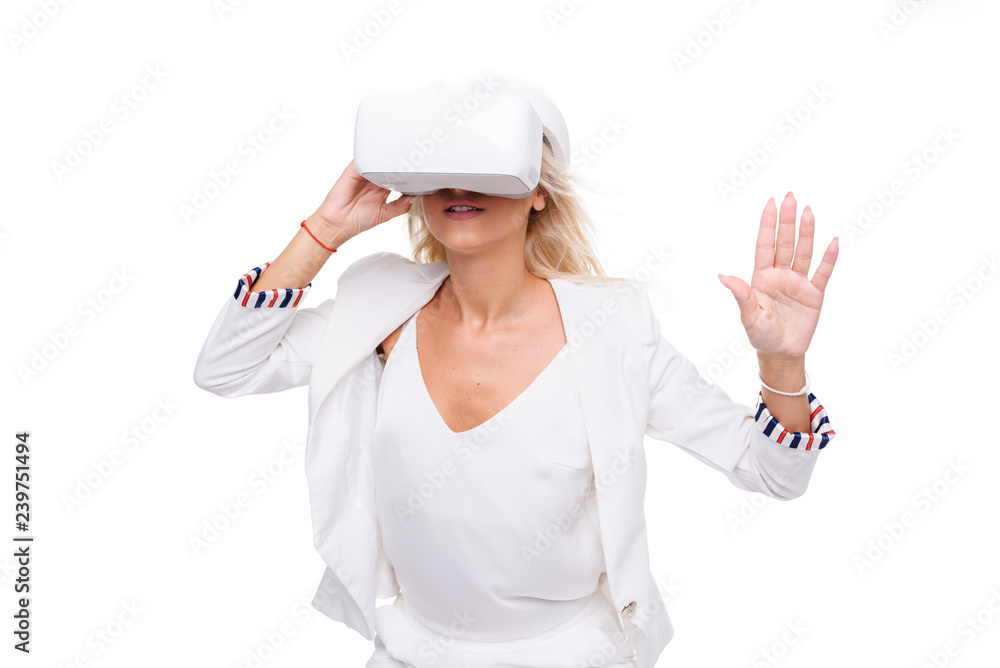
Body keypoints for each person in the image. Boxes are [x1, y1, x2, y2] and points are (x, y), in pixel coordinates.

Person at [194, 138, 838, 668]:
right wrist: (325, 231)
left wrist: (783, 363)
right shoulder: (381, 311)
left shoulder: (612, 331)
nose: (462, 183)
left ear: (538, 191)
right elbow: (225, 368)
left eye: (490, 162)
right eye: (442, 166)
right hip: (411, 652)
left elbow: (773, 473)